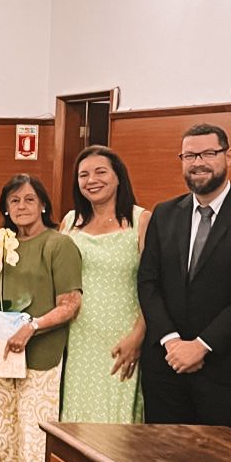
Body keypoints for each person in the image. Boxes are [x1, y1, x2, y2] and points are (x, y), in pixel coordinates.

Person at [137, 124, 231, 431]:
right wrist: (171, 341)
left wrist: (202, 345)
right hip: (166, 365)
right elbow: (148, 283)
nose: (198, 162)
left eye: (208, 153)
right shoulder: (165, 213)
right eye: (189, 155)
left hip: (226, 369)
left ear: (229, 156)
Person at [0, 175, 82, 462]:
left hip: (42, 355)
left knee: (34, 440)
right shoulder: (0, 244)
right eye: (14, 200)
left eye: (29, 199)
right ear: (5, 207)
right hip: (4, 355)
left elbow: (70, 303)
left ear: (43, 204)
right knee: (7, 438)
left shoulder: (59, 244)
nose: (21, 206)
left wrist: (33, 327)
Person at [59, 146, 149, 424]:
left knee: (116, 424)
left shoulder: (140, 219)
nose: (91, 180)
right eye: (83, 175)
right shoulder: (71, 221)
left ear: (118, 176)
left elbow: (153, 285)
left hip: (122, 336)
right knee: (78, 421)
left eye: (101, 172)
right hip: (78, 336)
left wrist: (138, 336)